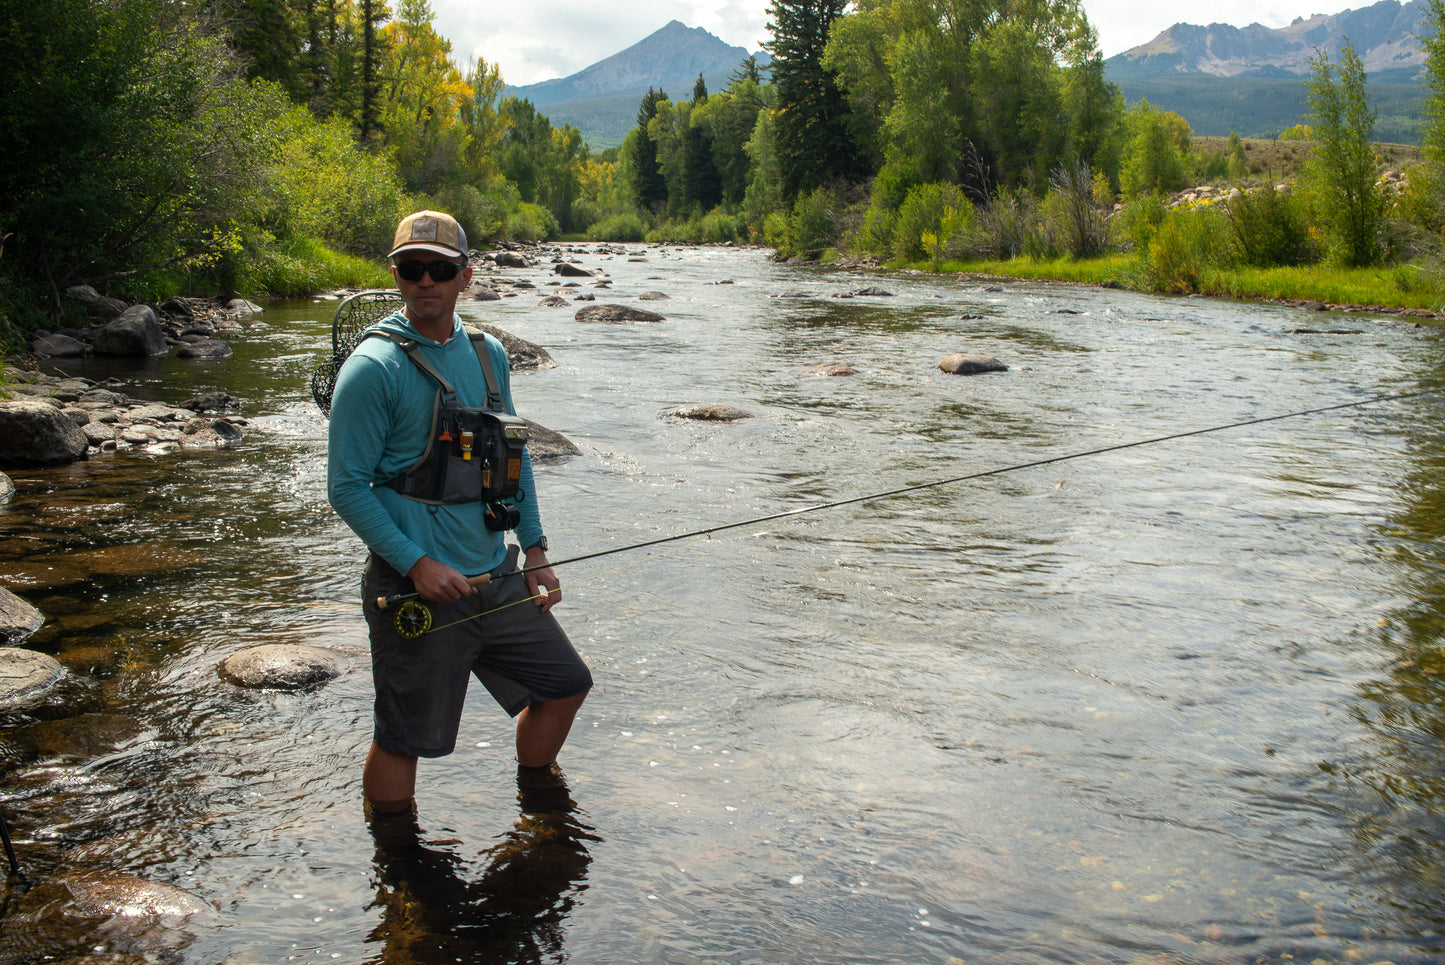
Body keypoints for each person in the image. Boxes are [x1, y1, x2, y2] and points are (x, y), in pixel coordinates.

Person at [327, 210, 591, 819]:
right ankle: (397, 865)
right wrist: (417, 566)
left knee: (565, 684)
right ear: (395, 274)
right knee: (404, 738)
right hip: (414, 590)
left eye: (440, 269)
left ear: (464, 276)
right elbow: (346, 488)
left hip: (494, 575)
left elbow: (511, 455)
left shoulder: (487, 353)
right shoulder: (372, 369)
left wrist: (535, 550)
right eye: (412, 268)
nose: (426, 281)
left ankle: (537, 805)